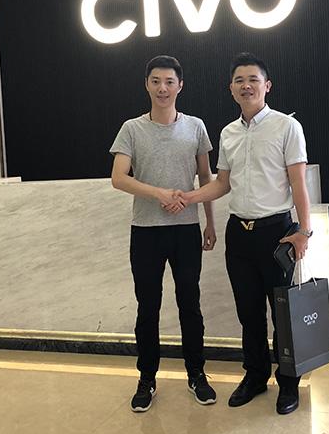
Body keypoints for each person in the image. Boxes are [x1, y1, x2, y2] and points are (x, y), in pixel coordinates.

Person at [178, 52, 313, 415]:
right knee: (248, 313)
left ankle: (289, 383)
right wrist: (189, 197)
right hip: (239, 234)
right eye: (240, 80)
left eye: (253, 79)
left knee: (283, 314)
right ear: (231, 89)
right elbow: (222, 183)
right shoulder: (228, 133)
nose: (246, 85)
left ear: (267, 86)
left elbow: (298, 183)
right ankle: (255, 376)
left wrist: (304, 231)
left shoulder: (287, 127)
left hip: (277, 234)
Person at [110, 55, 217, 412]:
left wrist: (209, 222)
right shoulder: (132, 128)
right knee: (148, 308)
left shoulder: (196, 127)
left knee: (190, 304)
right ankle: (146, 379)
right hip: (146, 232)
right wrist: (159, 193)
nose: (162, 88)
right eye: (156, 81)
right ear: (147, 85)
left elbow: (206, 179)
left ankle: (197, 374)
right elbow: (118, 178)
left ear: (180, 86)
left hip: (186, 230)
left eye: (169, 81)